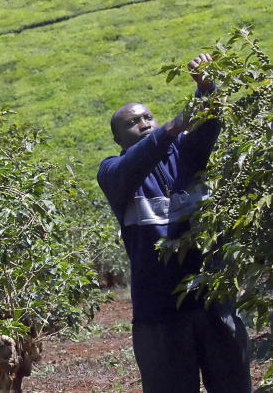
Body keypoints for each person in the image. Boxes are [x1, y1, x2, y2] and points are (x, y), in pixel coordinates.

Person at [97, 54, 251, 392]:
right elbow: (132, 165)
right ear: (118, 139)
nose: (145, 123)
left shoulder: (186, 154)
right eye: (133, 122)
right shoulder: (113, 172)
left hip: (214, 302)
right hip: (159, 312)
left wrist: (206, 86)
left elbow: (208, 123)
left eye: (149, 117)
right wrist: (171, 126)